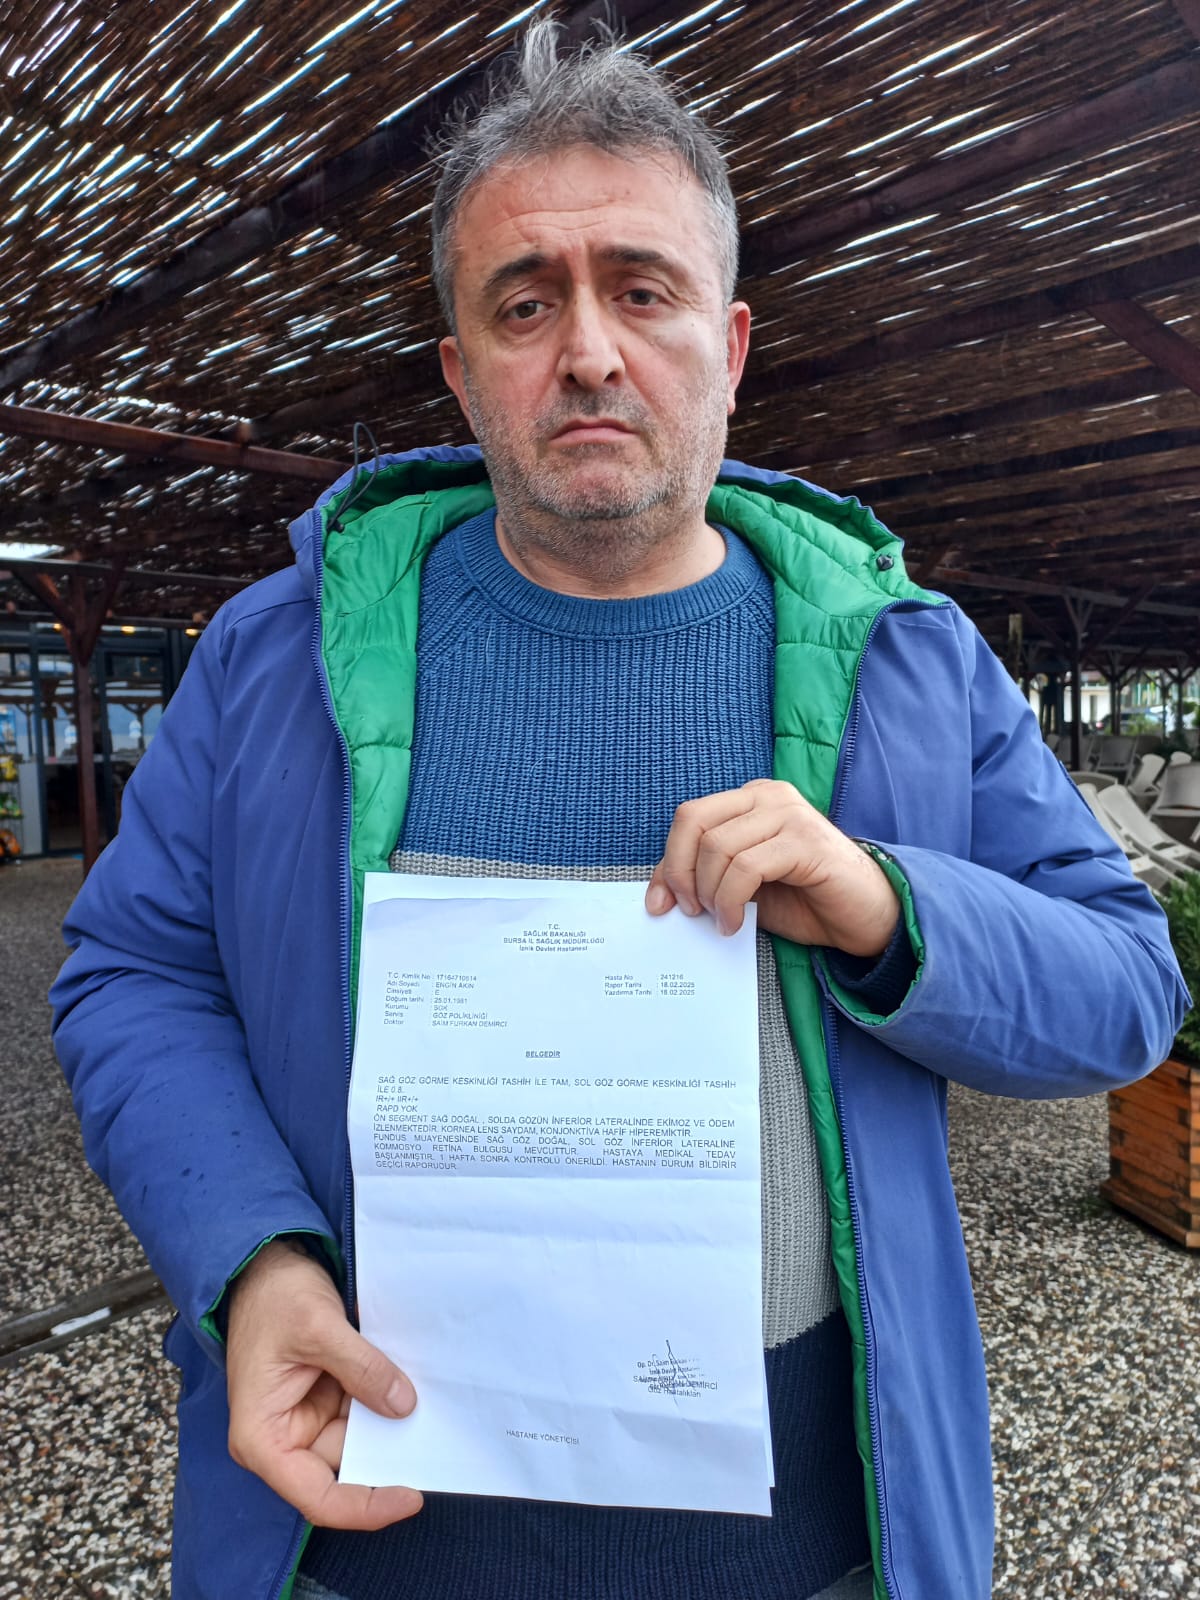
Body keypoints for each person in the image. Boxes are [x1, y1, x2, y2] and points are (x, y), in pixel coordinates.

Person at [51, 23, 1186, 1600]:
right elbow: (132, 974)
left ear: (731, 344)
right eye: (525, 302)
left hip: (810, 1554)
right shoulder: (276, 656)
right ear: (462, 371)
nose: (587, 349)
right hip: (364, 1547)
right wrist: (247, 1259)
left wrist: (886, 906)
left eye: (642, 291)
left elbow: (1128, 988)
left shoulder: (904, 660)